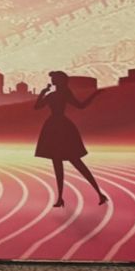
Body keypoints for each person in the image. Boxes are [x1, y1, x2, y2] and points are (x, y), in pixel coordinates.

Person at [35, 71, 107, 206]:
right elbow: (37, 107)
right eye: (52, 78)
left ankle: (99, 193)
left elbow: (81, 106)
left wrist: (94, 95)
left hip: (59, 128)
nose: (52, 80)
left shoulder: (61, 94)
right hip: (57, 127)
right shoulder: (54, 94)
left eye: (54, 78)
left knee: (73, 162)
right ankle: (61, 198)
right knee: (60, 163)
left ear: (60, 80)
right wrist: (43, 92)